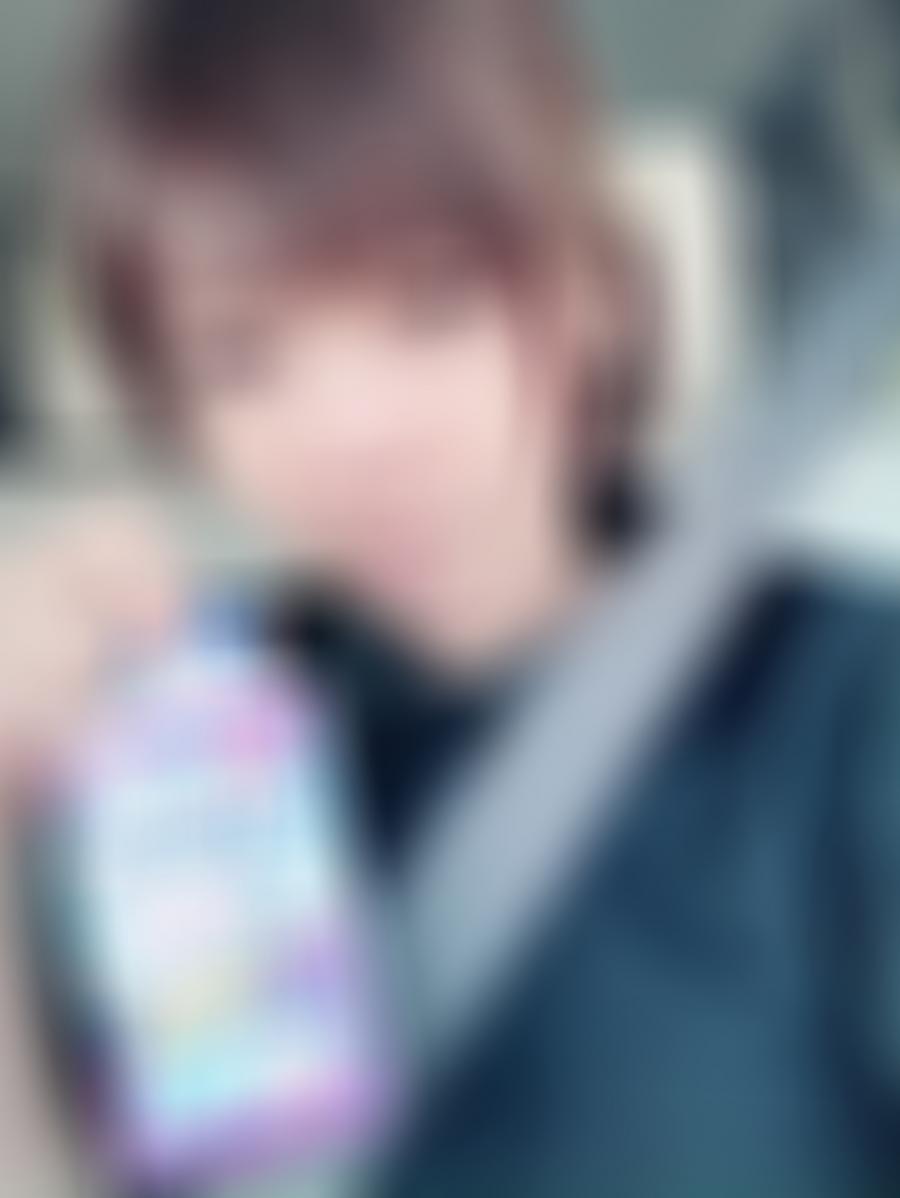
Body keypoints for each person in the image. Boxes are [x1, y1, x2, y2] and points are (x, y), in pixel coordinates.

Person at [2, 1, 900, 1195]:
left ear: (587, 294)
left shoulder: (848, 704)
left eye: (430, 305)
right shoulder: (175, 757)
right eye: (239, 354)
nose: (350, 430)